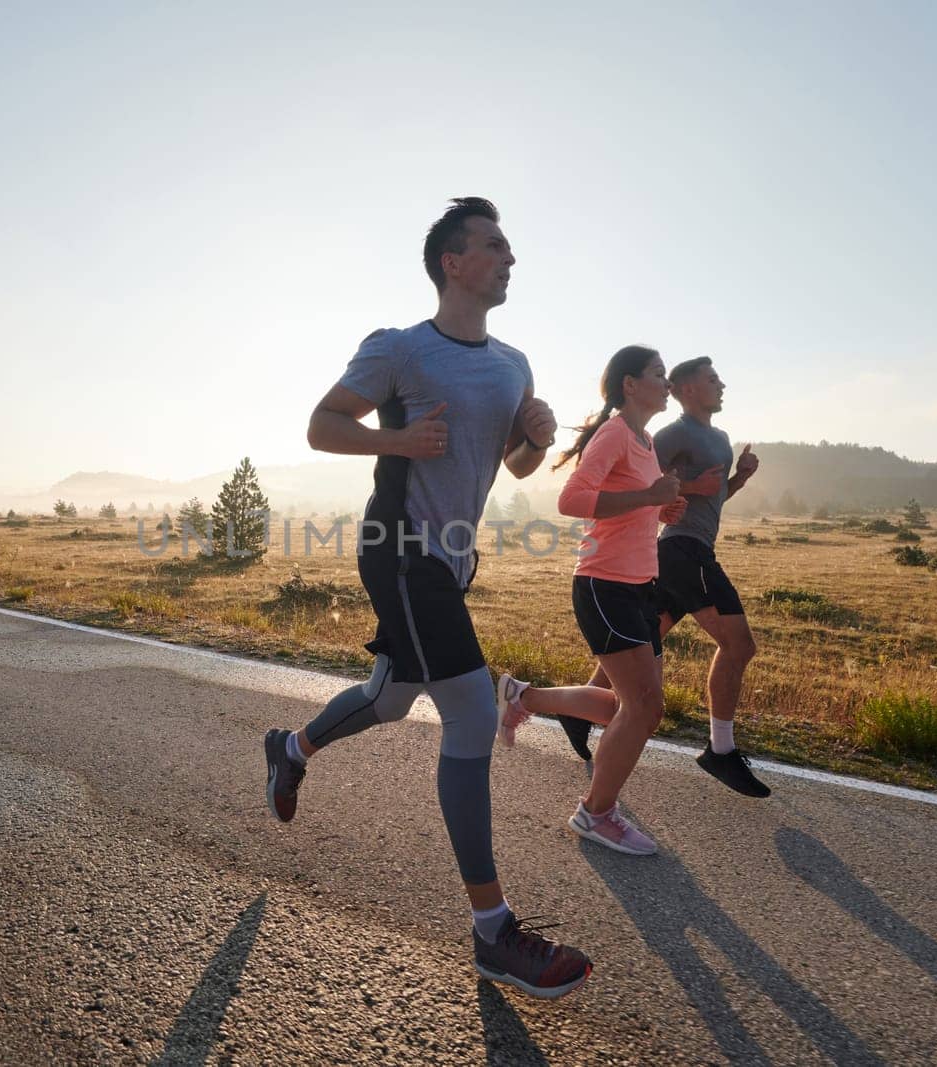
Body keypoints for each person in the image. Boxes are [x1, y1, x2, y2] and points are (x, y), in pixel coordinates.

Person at [261, 197, 592, 999]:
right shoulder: (400, 349)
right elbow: (320, 424)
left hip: (450, 560)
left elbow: (510, 466)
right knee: (473, 714)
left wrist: (537, 439)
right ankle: (493, 932)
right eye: (494, 245)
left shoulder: (514, 363)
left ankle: (290, 749)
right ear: (453, 262)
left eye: (510, 245)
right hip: (399, 548)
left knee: (390, 698)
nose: (510, 257)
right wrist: (394, 439)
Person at [545, 357, 768, 796]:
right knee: (738, 644)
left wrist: (736, 479)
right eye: (712, 379)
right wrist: (677, 492)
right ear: (688, 390)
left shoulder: (714, 437)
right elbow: (633, 483)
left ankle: (578, 712)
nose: (722, 384)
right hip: (680, 550)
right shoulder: (668, 433)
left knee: (645, 648)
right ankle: (719, 749)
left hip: (671, 554)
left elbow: (702, 495)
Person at [494, 345, 685, 855]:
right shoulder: (616, 433)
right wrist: (649, 497)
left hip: (639, 586)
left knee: (633, 706)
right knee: (644, 707)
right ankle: (595, 814)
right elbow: (572, 499)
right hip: (605, 586)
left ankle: (522, 697)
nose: (667, 384)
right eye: (659, 375)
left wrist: (660, 510)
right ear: (630, 384)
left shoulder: (644, 441)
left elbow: (625, 509)